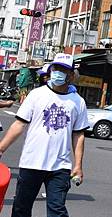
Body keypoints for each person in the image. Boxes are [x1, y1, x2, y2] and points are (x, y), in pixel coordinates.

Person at [0, 53, 88, 217]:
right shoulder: (36, 95)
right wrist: (1, 148)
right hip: (32, 162)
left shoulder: (78, 102)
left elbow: (78, 135)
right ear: (50, 70)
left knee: (57, 210)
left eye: (63, 70)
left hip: (60, 167)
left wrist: (78, 166)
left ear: (70, 75)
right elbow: (19, 124)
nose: (58, 72)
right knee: (21, 208)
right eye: (56, 68)